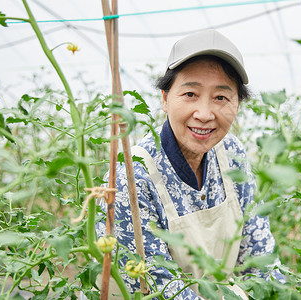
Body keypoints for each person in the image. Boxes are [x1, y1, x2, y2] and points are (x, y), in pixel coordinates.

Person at [97, 29, 284, 299]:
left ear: (238, 104)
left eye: (221, 98)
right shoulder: (133, 173)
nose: (205, 114)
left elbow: (261, 258)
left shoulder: (231, 154)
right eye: (190, 94)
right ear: (165, 98)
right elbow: (158, 287)